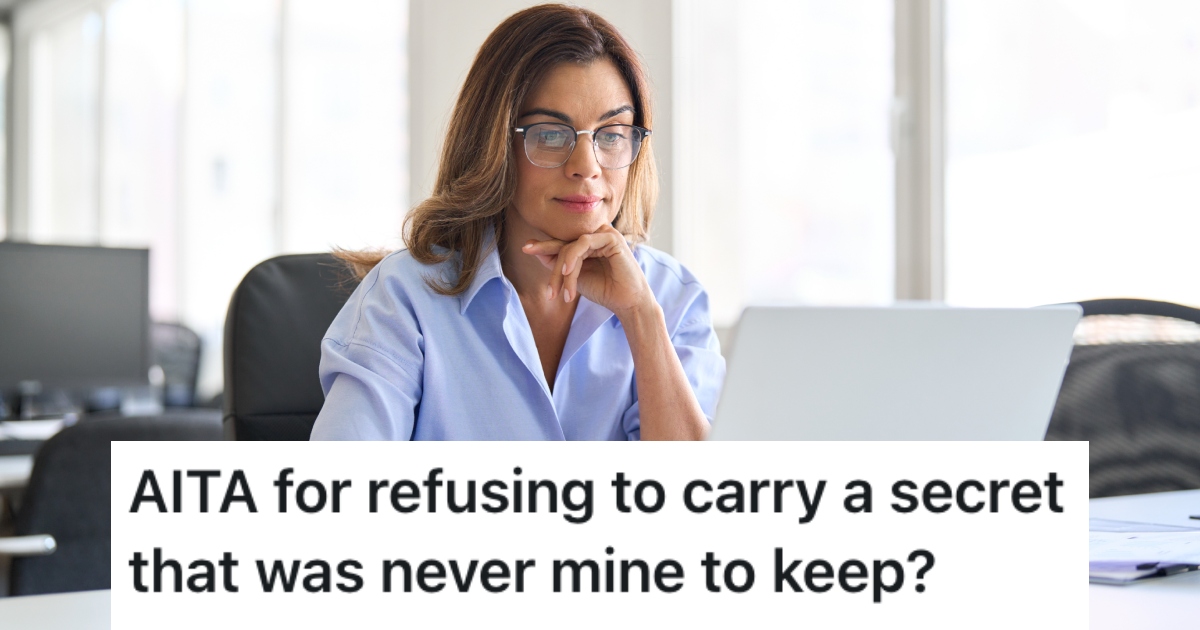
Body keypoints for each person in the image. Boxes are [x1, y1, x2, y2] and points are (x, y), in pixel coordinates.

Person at [310, 4, 724, 441]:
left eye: (613, 134)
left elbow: (699, 498)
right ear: (493, 144)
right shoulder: (403, 300)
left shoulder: (673, 300)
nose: (588, 166)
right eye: (549, 134)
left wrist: (641, 317)